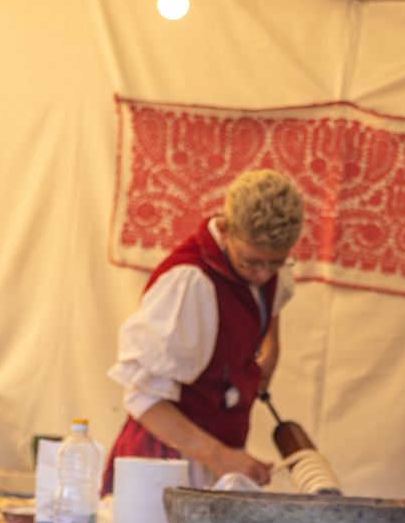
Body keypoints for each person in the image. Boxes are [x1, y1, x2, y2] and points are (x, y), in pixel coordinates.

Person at [102, 169, 304, 494]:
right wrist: (221, 457)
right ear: (225, 230)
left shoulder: (271, 278)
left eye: (275, 263)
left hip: (216, 456)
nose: (263, 275)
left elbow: (269, 308)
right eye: (252, 262)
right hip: (162, 468)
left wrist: (268, 350)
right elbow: (142, 398)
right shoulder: (189, 283)